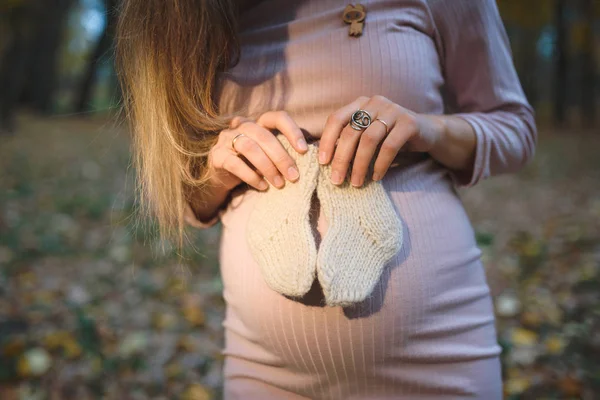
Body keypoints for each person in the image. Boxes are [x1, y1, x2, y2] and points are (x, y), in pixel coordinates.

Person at [115, 0, 537, 398]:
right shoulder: (184, 13)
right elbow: (186, 200)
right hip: (262, 368)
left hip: (436, 354)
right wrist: (217, 172)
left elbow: (514, 129)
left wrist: (428, 129)